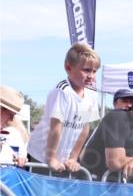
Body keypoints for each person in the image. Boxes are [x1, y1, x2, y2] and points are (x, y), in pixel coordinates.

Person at [26, 43, 101, 173]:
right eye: (87, 70)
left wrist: (73, 158)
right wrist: (51, 158)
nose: (91, 76)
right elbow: (55, 128)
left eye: (94, 71)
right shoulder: (62, 92)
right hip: (41, 156)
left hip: (62, 159)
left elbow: (84, 128)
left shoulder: (92, 94)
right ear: (68, 68)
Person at [1, 86, 28, 166]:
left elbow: (21, 154)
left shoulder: (13, 133)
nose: (12, 119)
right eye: (11, 115)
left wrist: (21, 158)